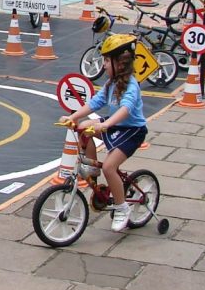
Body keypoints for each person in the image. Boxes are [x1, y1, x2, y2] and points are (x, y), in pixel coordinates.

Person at [59, 33, 147, 232]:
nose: (104, 65)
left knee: (110, 167)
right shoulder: (111, 84)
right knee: (83, 127)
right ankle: (92, 168)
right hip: (115, 125)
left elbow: (125, 110)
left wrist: (106, 125)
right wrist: (73, 118)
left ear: (120, 63)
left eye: (107, 60)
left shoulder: (131, 87)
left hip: (132, 130)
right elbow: (93, 103)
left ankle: (122, 207)